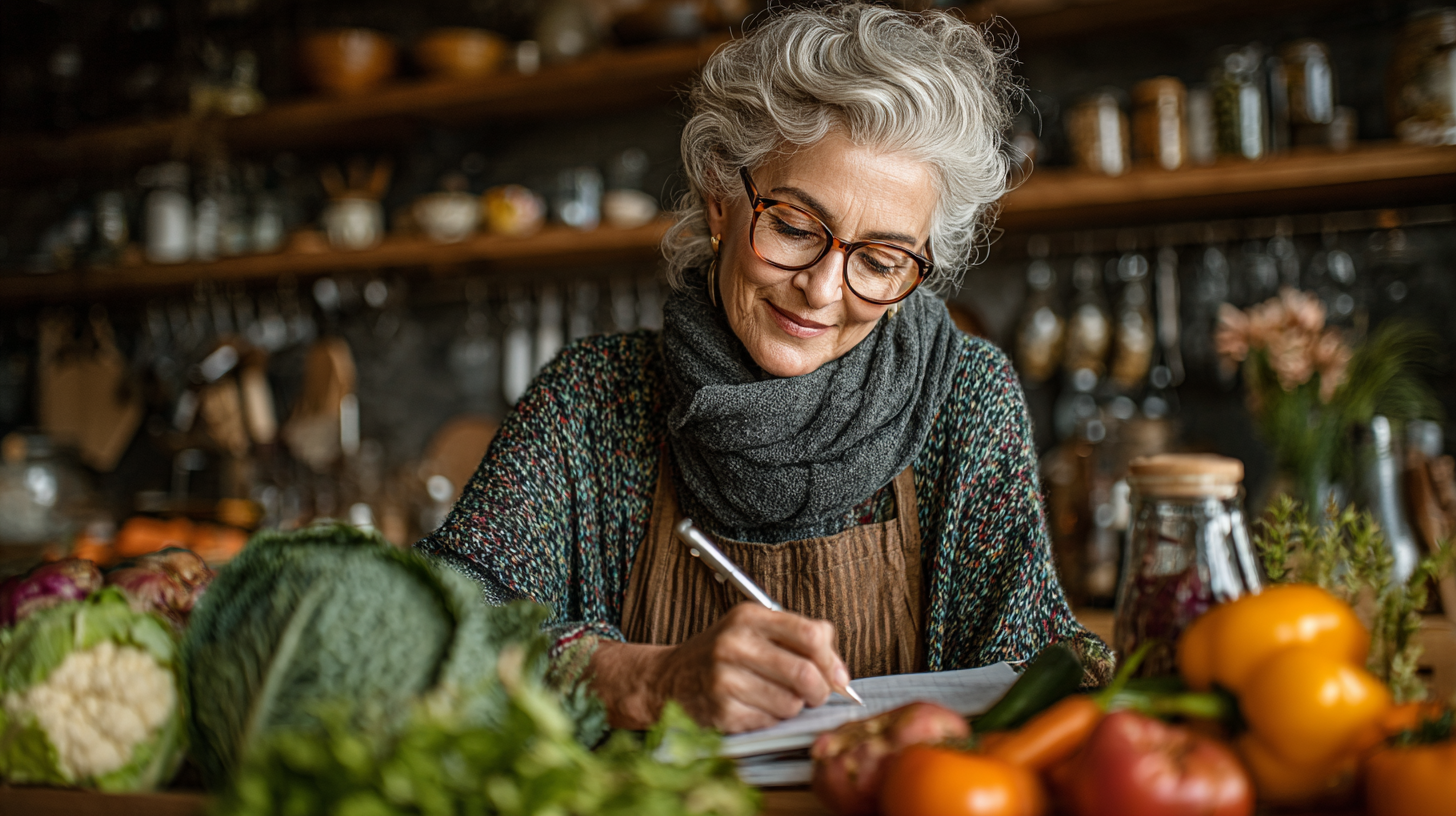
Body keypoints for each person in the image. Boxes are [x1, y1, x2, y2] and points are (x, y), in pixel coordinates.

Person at [417, 3, 1111, 735]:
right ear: (721, 197)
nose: (823, 289)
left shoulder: (966, 397)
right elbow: (433, 624)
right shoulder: (591, 399)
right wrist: (646, 682)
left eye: (880, 261)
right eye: (793, 226)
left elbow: (1038, 663)